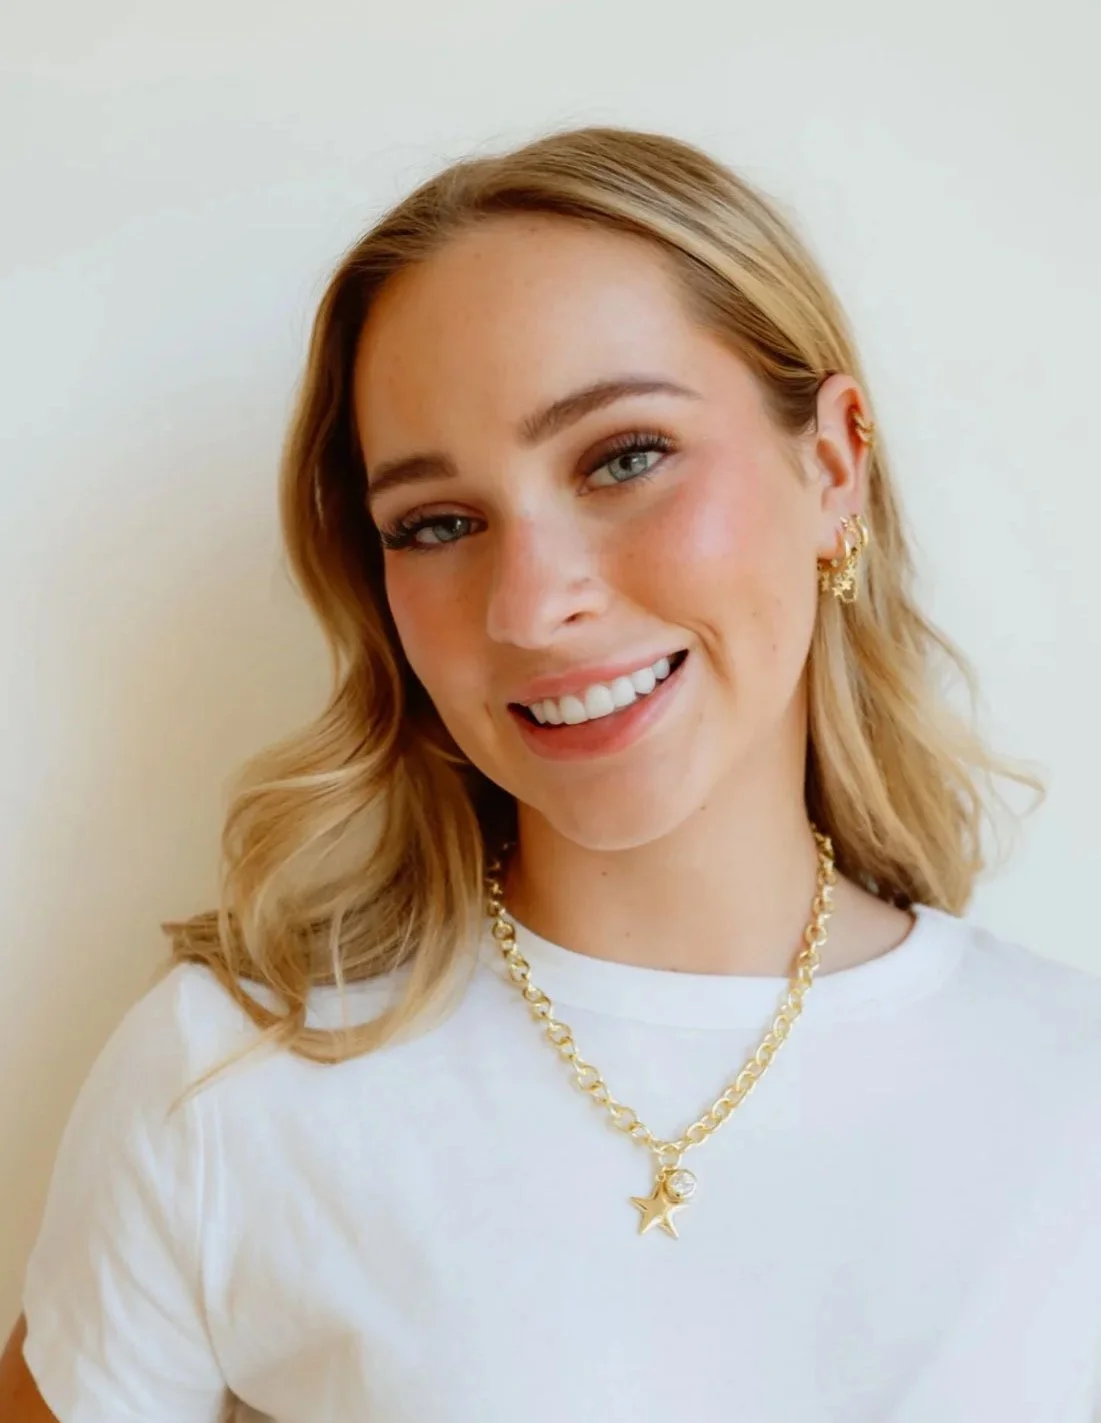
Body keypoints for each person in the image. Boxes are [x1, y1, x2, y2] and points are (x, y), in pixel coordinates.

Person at [3, 123, 1099, 1423]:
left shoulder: (1069, 1087)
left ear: (832, 462)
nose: (529, 605)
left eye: (623, 456)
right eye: (438, 523)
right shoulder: (227, 1082)